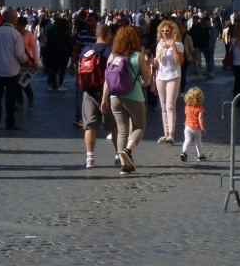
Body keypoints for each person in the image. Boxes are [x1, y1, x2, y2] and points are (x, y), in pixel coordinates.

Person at [104, 26, 153, 176]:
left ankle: (124, 165)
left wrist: (104, 98)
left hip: (114, 96)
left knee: (122, 130)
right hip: (133, 96)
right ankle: (128, 150)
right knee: (139, 126)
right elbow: (147, 80)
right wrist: (148, 66)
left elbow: (107, 78)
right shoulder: (137, 56)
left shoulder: (113, 56)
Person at [78, 23, 117, 169]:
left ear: (96, 35)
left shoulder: (86, 50)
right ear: (108, 35)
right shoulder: (111, 51)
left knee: (90, 126)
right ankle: (118, 154)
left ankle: (89, 158)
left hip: (89, 92)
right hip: (107, 93)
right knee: (114, 126)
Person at [0, 7, 29, 130]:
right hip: (12, 71)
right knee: (10, 99)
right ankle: (10, 122)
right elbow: (20, 54)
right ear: (14, 19)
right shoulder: (16, 34)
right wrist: (25, 62)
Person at [154, 20, 184, 144]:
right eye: (162, 31)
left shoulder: (178, 44)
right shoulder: (159, 44)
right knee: (163, 106)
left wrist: (173, 47)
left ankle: (171, 134)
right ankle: (166, 133)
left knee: (170, 105)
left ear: (172, 31)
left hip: (173, 75)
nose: (165, 33)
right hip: (160, 76)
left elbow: (180, 61)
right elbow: (157, 60)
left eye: (167, 31)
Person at [15, 16, 39, 109]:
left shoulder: (29, 34)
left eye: (19, 25)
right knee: (17, 83)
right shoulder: (15, 33)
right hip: (16, 61)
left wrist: (36, 61)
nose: (18, 27)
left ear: (23, 25)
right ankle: (20, 103)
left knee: (23, 82)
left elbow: (34, 48)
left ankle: (30, 95)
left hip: (26, 61)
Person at [179, 86, 207, 162]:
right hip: (196, 128)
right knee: (198, 142)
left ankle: (184, 152)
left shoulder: (187, 107)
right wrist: (203, 128)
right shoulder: (200, 108)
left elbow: (186, 114)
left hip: (187, 127)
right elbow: (200, 119)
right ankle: (199, 156)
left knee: (187, 140)